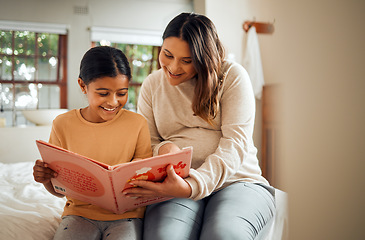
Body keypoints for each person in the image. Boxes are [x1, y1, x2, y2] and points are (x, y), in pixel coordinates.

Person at [122, 12, 276, 240]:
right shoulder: (152, 85)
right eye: (167, 55)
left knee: (223, 235)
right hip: (175, 185)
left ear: (205, 58)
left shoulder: (232, 76)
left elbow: (236, 143)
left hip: (238, 181)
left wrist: (194, 185)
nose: (173, 67)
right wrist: (163, 150)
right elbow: (149, 142)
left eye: (187, 60)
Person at [33, 46, 152, 240]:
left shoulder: (137, 124)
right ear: (83, 86)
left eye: (121, 93)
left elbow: (144, 181)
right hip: (79, 215)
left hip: (127, 216)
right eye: (103, 93)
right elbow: (59, 191)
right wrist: (45, 177)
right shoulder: (63, 124)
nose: (113, 102)